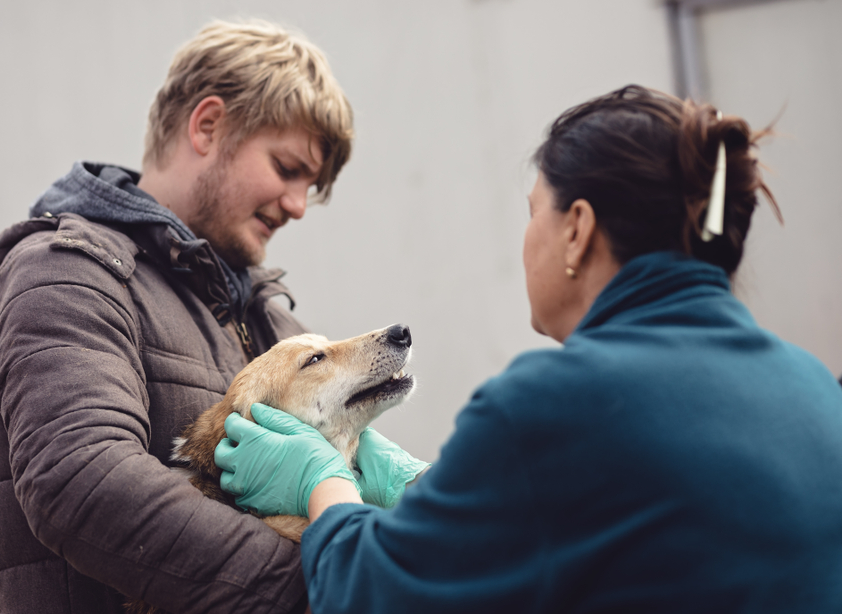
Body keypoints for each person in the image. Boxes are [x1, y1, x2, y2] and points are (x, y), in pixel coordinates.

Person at [215, 85, 842, 613]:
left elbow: (366, 593)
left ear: (577, 231)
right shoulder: (814, 388)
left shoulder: (554, 403)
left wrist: (324, 482)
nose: (525, 240)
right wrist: (412, 486)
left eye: (533, 211)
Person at [0, 20, 353, 614]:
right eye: (286, 168)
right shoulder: (68, 271)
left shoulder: (271, 318)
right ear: (207, 125)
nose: (299, 206)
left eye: (312, 185)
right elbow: (82, 481)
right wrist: (330, 583)